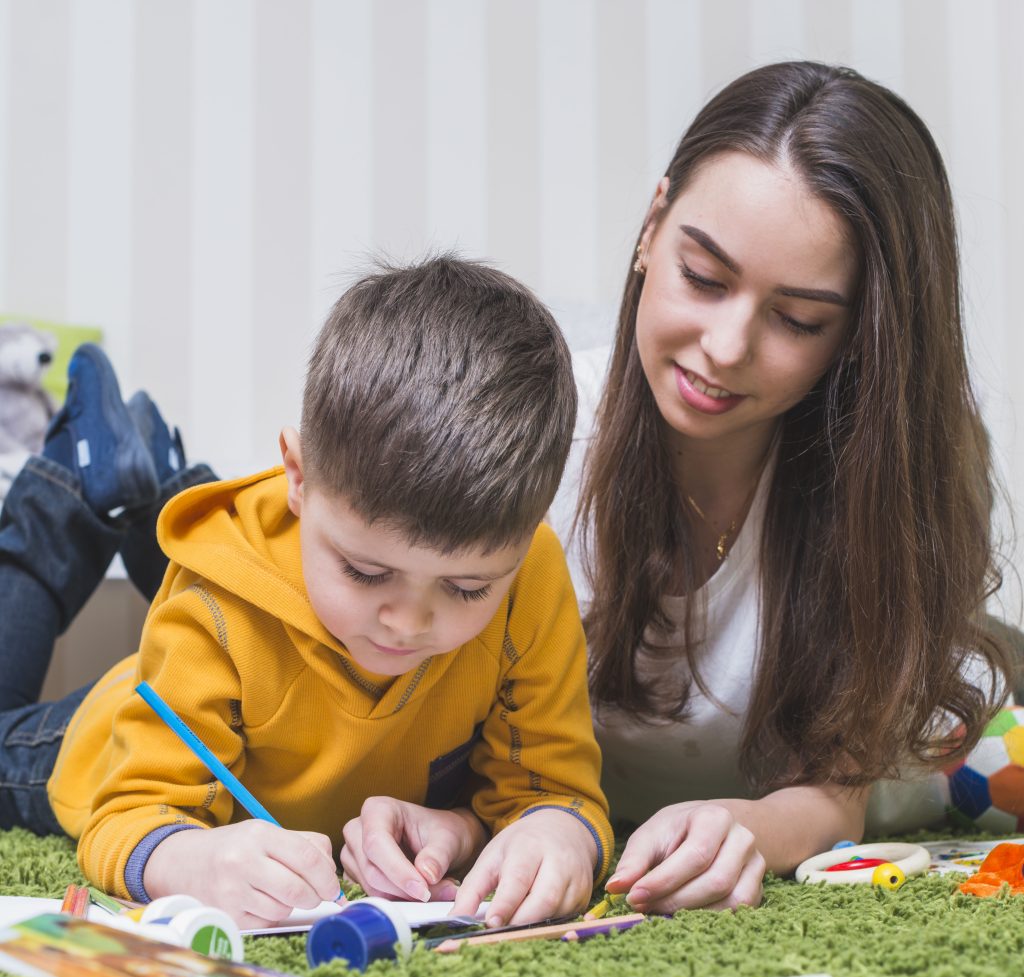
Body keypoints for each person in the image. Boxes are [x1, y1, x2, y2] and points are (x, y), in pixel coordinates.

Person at [0, 256, 612, 930]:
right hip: (96, 736)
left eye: (467, 589)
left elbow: (552, 790)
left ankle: (154, 481)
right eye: (366, 573)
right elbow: (127, 815)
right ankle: (66, 490)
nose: (407, 623)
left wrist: (553, 831)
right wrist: (193, 859)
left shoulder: (530, 574)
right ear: (297, 477)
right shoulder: (212, 607)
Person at [545, 60, 1015, 915]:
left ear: (859, 336)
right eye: (703, 277)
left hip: (912, 753)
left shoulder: (891, 485)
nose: (726, 348)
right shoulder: (536, 437)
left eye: (797, 320)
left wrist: (751, 827)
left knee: (978, 726)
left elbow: (835, 800)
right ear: (652, 228)